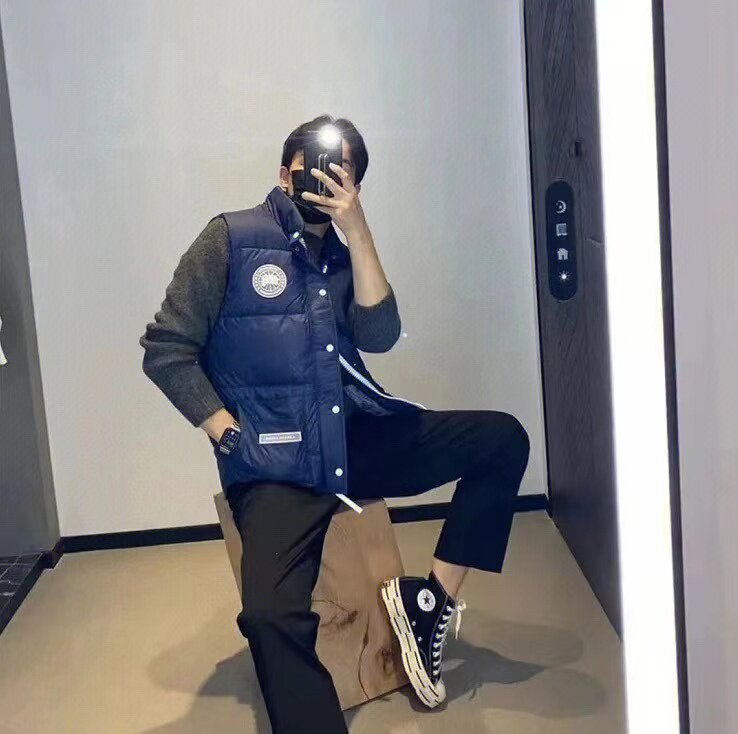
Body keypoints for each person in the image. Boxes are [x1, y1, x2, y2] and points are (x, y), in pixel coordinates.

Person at [139, 114, 530, 733]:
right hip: (276, 465)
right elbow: (166, 348)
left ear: (354, 185)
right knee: (270, 616)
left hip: (355, 439)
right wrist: (225, 430)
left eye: (338, 173)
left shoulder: (346, 256)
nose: (322, 182)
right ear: (283, 173)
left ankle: (428, 604)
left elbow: (381, 335)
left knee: (502, 440)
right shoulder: (230, 239)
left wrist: (358, 228)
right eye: (311, 169)